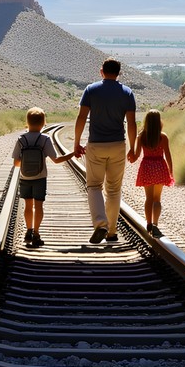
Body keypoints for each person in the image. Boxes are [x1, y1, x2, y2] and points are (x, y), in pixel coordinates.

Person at [73, 57, 137, 244]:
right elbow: (131, 123)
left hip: (96, 144)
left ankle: (100, 224)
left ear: (101, 71)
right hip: (118, 145)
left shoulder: (91, 90)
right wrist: (133, 148)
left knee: (94, 186)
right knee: (114, 189)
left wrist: (77, 143)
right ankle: (111, 232)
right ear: (119, 73)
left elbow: (81, 118)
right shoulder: (127, 93)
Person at [12, 107, 75, 248]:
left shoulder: (21, 139)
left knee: (28, 206)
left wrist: (26, 160)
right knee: (38, 206)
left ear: (27, 122)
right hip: (40, 178)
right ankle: (36, 233)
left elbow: (16, 163)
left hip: (25, 177)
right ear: (43, 123)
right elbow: (56, 160)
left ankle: (28, 231)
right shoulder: (45, 139)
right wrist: (72, 154)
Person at [131, 109, 175, 237]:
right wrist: (171, 170)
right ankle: (155, 224)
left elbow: (136, 156)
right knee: (157, 199)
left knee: (148, 198)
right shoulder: (163, 137)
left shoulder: (141, 136)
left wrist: (130, 154)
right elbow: (168, 155)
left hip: (147, 167)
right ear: (159, 122)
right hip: (160, 167)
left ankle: (148, 223)